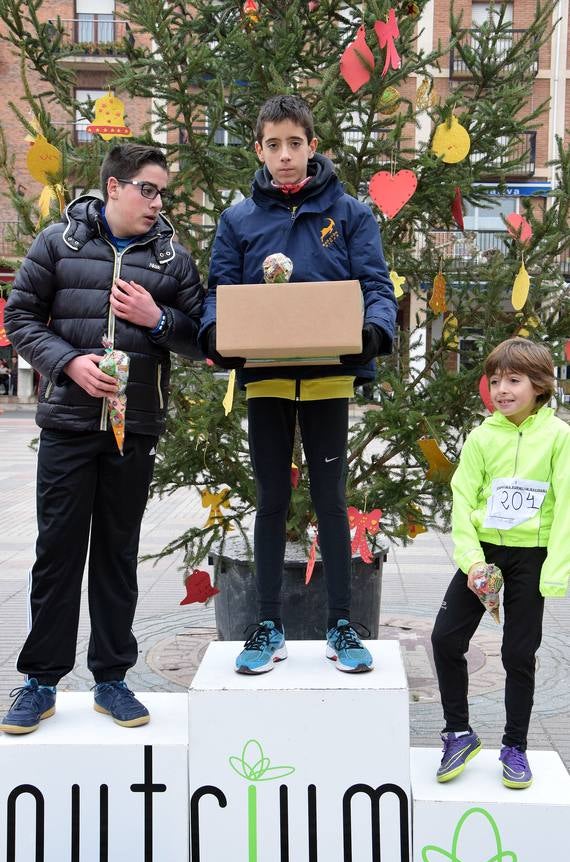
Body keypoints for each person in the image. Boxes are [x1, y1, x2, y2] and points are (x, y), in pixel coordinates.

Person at [2, 143, 204, 734]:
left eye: (162, 191)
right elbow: (19, 318)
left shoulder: (171, 259)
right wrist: (67, 363)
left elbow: (203, 339)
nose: (157, 201)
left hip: (132, 430)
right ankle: (39, 681)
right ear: (113, 187)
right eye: (147, 188)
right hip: (67, 424)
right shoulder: (57, 244)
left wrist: (156, 319)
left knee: (117, 555)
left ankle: (112, 680)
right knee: (57, 553)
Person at [200, 95, 397, 676]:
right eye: (272, 145)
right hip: (265, 377)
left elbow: (376, 286)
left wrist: (373, 334)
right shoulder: (239, 220)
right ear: (258, 150)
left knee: (332, 501)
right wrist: (216, 332)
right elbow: (218, 292)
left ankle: (342, 623)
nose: (284, 156)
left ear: (312, 146)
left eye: (294, 143)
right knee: (271, 500)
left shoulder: (351, 214)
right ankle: (266, 625)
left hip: (329, 376)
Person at [431, 337, 570, 789]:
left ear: (540, 385)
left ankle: (515, 746)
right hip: (484, 553)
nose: (503, 390)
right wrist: (471, 560)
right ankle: (458, 733)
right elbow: (461, 497)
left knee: (517, 654)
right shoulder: (481, 437)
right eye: (495, 381)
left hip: (533, 556)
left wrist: (555, 572)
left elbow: (567, 504)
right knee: (445, 638)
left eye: (514, 380)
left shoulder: (558, 437)